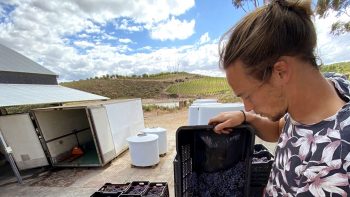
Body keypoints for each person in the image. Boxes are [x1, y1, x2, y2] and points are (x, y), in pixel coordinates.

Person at [208, 0, 350, 196]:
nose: (247, 106)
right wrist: (246, 118)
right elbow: (280, 129)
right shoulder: (332, 85)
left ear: (280, 72)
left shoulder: (340, 157)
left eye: (247, 95)